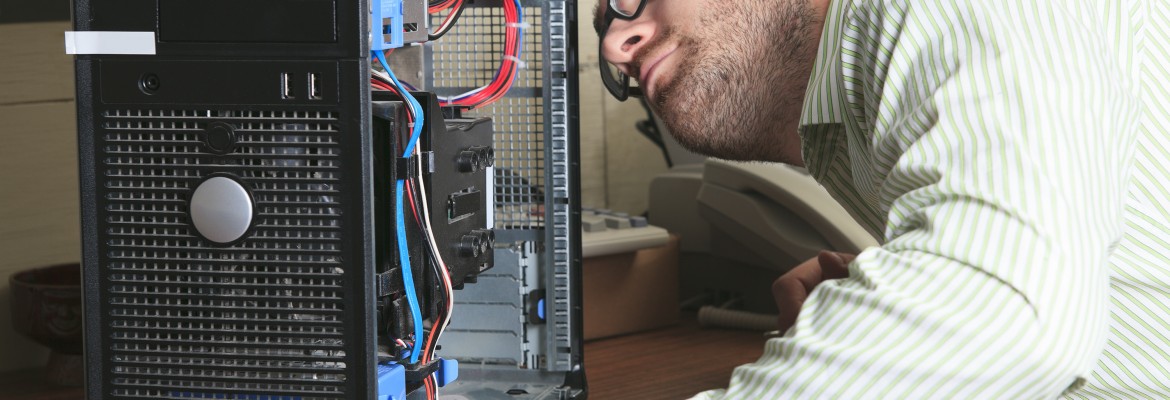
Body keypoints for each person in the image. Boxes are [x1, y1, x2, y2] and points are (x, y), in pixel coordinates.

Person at [596, 0, 1170, 398]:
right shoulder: (841, 121)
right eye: (604, 34)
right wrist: (898, 297)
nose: (617, 47)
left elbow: (1004, 315)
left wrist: (956, 291)